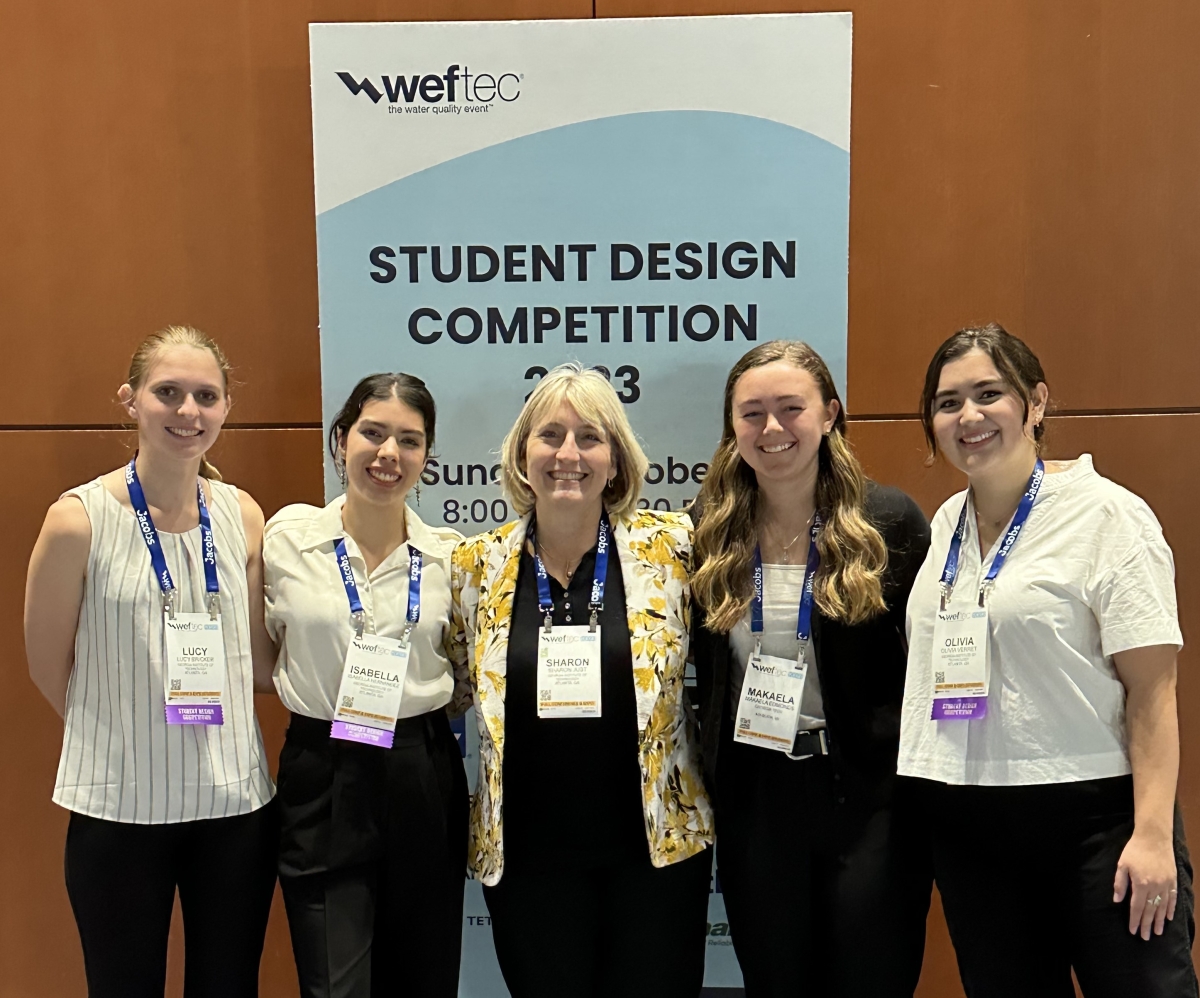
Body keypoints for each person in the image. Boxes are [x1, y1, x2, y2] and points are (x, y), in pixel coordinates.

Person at [898, 322, 1197, 998]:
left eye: (988, 394)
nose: (968, 416)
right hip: (974, 827)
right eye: (948, 403)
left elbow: (1153, 692)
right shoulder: (947, 522)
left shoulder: (1108, 516)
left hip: (1097, 825)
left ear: (1035, 403)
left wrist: (1151, 837)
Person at [24, 325, 277, 998]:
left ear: (225, 408)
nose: (188, 412)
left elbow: (254, 663)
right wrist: (127, 731)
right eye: (168, 393)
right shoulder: (77, 520)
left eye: (205, 396)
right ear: (130, 400)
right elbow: (49, 666)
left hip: (233, 807)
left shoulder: (242, 515)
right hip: (118, 809)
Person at [449, 363, 713, 998]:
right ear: (521, 455)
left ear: (617, 461)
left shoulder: (675, 551)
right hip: (529, 864)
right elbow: (457, 684)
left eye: (590, 437)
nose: (568, 453)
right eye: (549, 436)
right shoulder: (474, 565)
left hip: (654, 855)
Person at [689, 340, 932, 997]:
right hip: (758, 796)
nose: (772, 429)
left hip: (869, 796)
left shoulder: (888, 521)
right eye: (752, 413)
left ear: (829, 414)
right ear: (732, 428)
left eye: (790, 408)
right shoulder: (707, 532)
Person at [264, 372, 468, 998]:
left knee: (423, 977)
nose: (389, 455)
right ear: (339, 440)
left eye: (409, 441)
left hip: (421, 769)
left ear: (427, 457)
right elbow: (262, 649)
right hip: (323, 771)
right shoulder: (287, 540)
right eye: (373, 433)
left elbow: (464, 674)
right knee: (335, 984)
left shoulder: (450, 558)